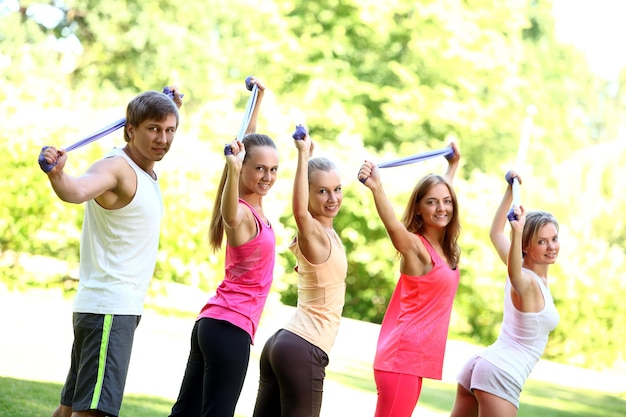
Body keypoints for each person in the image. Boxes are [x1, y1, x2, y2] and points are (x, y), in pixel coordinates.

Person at [39, 87, 183, 417]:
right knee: (93, 412)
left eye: (169, 130)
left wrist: (170, 107)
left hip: (107, 307)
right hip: (109, 309)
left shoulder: (144, 169)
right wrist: (58, 174)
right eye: (153, 129)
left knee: (68, 408)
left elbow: (161, 125)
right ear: (130, 130)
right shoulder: (116, 168)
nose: (163, 139)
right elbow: (76, 190)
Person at [168, 78, 279, 417]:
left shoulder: (254, 205)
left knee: (184, 413)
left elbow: (247, 142)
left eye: (273, 169)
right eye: (259, 168)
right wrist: (232, 169)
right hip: (230, 329)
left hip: (210, 325)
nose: (267, 175)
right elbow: (229, 217)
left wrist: (257, 100)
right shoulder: (242, 213)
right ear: (242, 168)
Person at [357, 142, 461, 417]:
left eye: (447, 201)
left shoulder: (444, 249)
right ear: (417, 209)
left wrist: (452, 167)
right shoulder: (417, 248)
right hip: (401, 359)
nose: (441, 208)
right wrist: (376, 187)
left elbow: (440, 199)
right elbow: (393, 225)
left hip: (411, 362)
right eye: (431, 202)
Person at [252, 127, 348, 417]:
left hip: (285, 343)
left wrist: (309, 158)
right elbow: (300, 212)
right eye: (322, 191)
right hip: (304, 346)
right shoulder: (314, 233)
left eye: (337, 189)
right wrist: (303, 154)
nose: (332, 198)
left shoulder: (328, 233)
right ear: (308, 193)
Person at [449, 172, 560, 417]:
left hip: (483, 366)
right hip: (500, 374)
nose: (551, 246)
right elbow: (514, 272)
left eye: (554, 239)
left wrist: (509, 190)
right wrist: (517, 231)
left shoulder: (532, 274)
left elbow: (495, 233)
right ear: (526, 247)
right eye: (542, 242)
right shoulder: (526, 280)